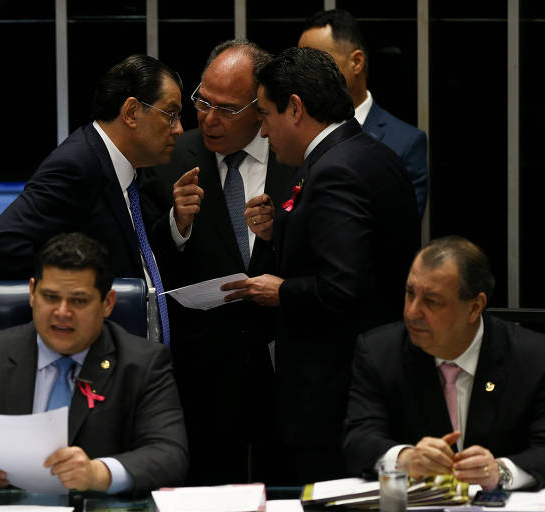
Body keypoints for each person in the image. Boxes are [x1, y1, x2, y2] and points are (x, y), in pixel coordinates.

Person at [222, 47, 420, 484]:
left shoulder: (334, 171)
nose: (265, 132)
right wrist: (281, 234)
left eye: (267, 116)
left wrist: (280, 291)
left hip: (334, 389)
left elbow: (342, 286)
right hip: (371, 374)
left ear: (295, 108)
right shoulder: (371, 152)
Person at [0, 233, 188, 494]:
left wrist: (99, 474)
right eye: (50, 297)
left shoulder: (142, 363)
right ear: (32, 293)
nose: (62, 313)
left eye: (78, 301)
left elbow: (169, 455)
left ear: (108, 303)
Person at [139, 39, 295, 485]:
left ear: (260, 105)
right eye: (202, 102)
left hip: (283, 363)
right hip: (204, 371)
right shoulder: (171, 160)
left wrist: (275, 234)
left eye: (226, 109)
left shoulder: (294, 157)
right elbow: (148, 263)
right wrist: (177, 225)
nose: (208, 118)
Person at [0, 54, 184, 346]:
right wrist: (81, 297)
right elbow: (2, 247)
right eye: (171, 114)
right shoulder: (78, 164)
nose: (178, 128)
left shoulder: (131, 173)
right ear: (131, 112)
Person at [344, 236, 545, 491]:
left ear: (475, 307)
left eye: (432, 301)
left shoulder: (532, 357)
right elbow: (358, 440)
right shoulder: (380, 352)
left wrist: (501, 471)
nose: (412, 312)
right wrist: (406, 459)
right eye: (410, 293)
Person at [298, 9, 428, 218]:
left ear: (356, 62)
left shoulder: (404, 142)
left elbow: (401, 227)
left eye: (314, 62)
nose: (302, 74)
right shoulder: (296, 131)